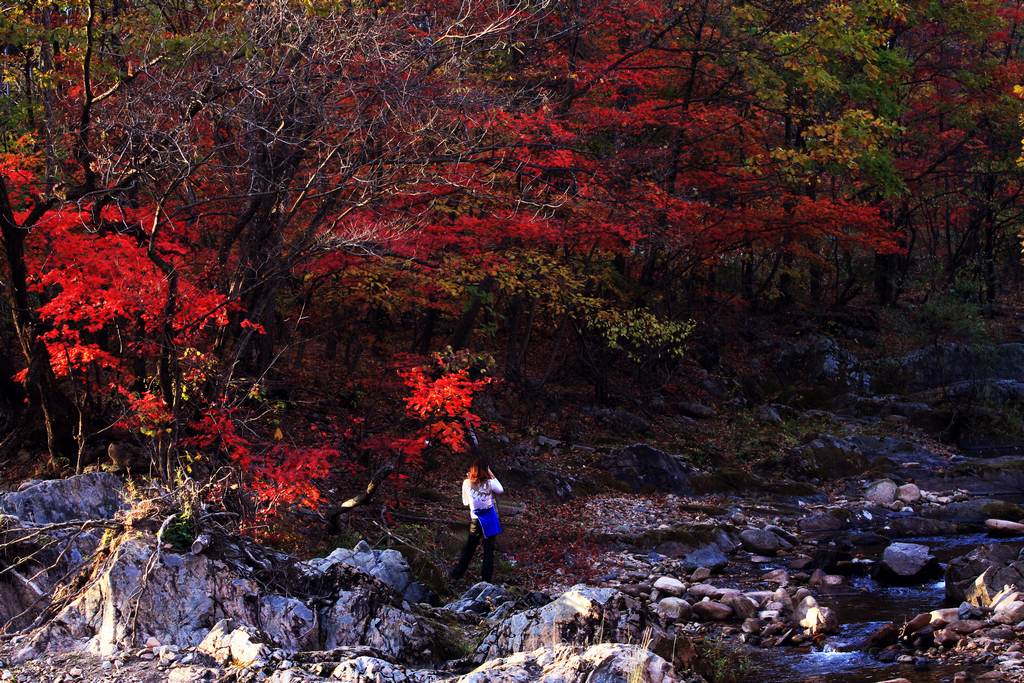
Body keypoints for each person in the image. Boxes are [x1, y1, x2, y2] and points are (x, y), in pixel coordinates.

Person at [450, 450, 504, 582]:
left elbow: (465, 502)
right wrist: (491, 474)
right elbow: (501, 490)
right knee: (488, 551)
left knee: (469, 548)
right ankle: (486, 581)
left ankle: (456, 575)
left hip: (475, 520)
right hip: (490, 519)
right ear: (486, 470)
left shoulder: (466, 483)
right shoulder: (490, 483)